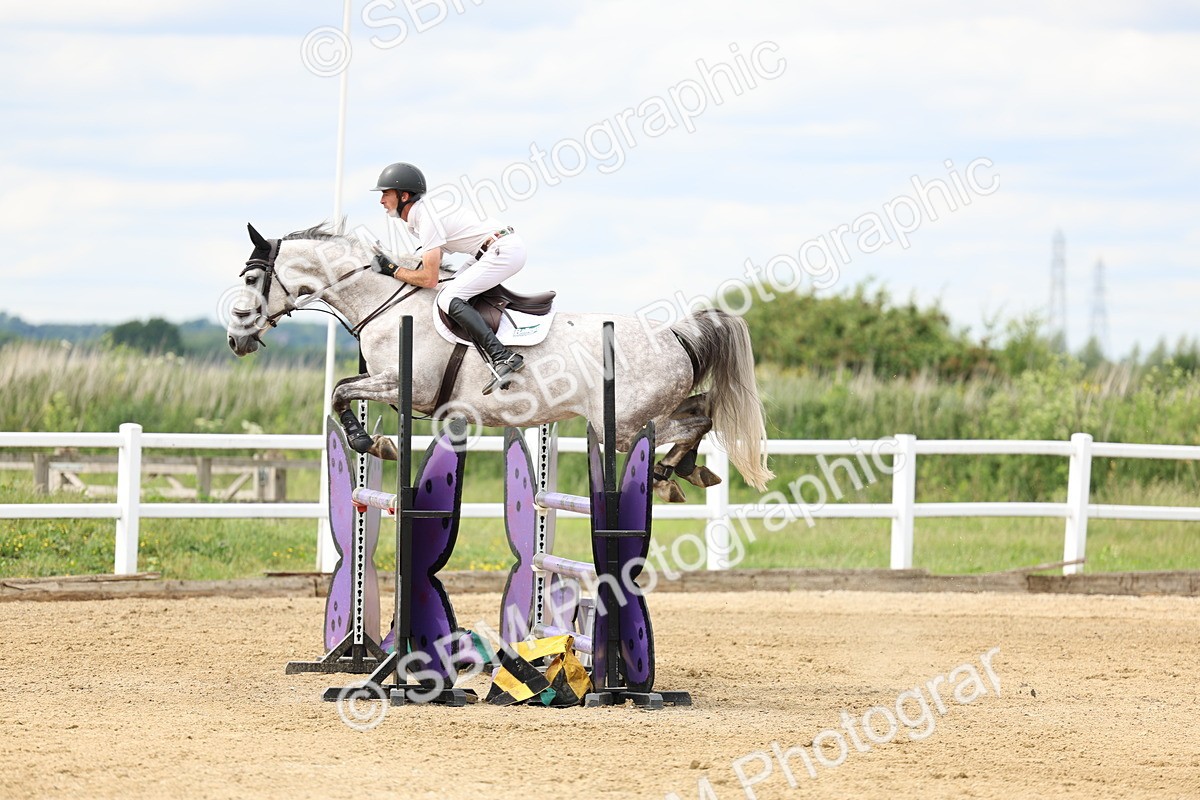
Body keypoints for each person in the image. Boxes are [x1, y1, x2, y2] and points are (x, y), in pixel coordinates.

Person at [371, 161, 526, 395]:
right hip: (488, 251)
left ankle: (503, 356)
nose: (381, 200)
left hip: (503, 250)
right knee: (449, 290)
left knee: (448, 298)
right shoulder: (418, 218)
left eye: (385, 193)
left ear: (404, 196)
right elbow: (428, 264)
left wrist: (392, 269)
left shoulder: (426, 218)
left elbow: (429, 279)